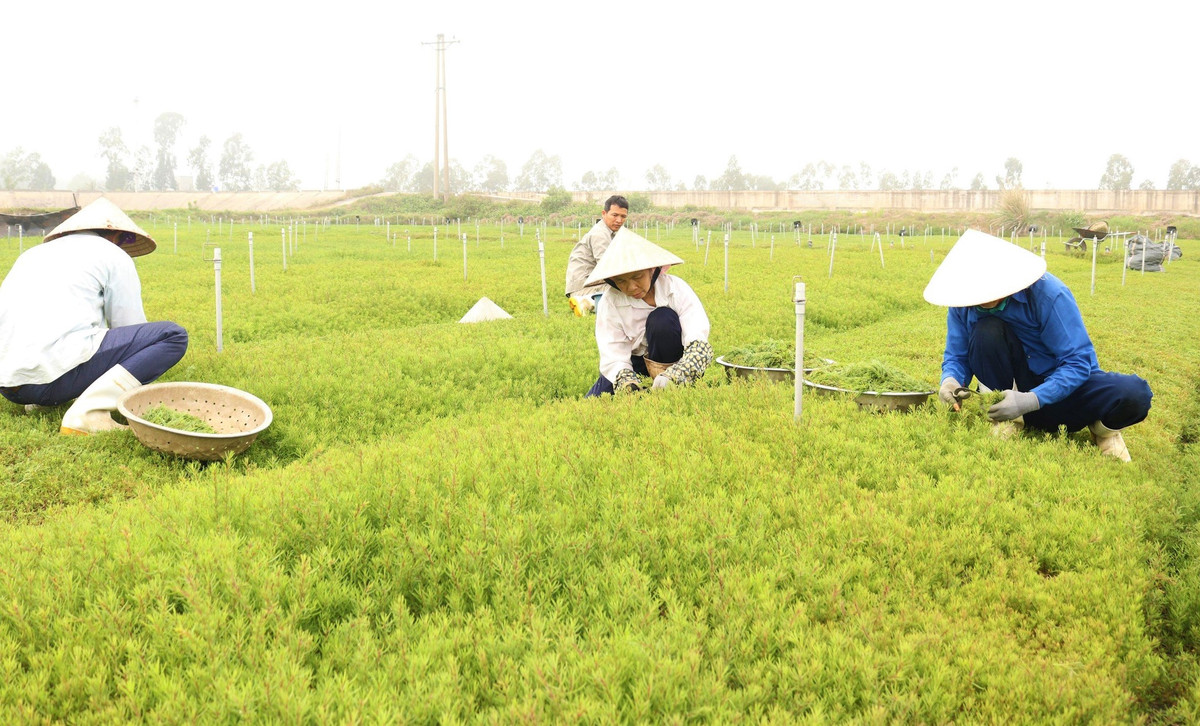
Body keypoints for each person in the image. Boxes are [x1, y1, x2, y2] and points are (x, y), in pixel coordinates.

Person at [923, 229, 1152, 461]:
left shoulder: (1049, 294)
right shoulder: (963, 301)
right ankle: (1006, 419)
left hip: (1064, 393)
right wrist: (950, 380)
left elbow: (1077, 363)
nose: (979, 299)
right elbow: (957, 356)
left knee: (1134, 393)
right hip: (1012, 392)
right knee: (987, 329)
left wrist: (1032, 399)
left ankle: (1104, 433)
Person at [0, 198, 189, 435]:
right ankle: (88, 413)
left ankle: (44, 402)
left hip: (9, 384)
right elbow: (129, 323)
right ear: (116, 235)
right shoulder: (113, 254)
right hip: (50, 382)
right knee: (172, 336)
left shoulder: (32, 254)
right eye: (127, 240)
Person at [583, 228, 712, 396]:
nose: (631, 287)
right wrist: (627, 382)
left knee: (662, 318)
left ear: (652, 270)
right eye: (621, 281)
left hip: (672, 358)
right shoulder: (610, 301)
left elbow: (697, 337)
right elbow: (613, 352)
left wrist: (678, 374)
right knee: (596, 401)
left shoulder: (675, 289)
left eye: (637, 277)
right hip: (633, 361)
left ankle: (671, 385)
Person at [564, 194, 629, 316]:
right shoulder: (600, 234)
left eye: (623, 216)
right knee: (629, 290)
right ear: (604, 213)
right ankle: (586, 303)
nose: (619, 220)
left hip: (593, 283)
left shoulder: (611, 233)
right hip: (583, 288)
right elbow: (608, 269)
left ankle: (589, 304)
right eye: (615, 215)